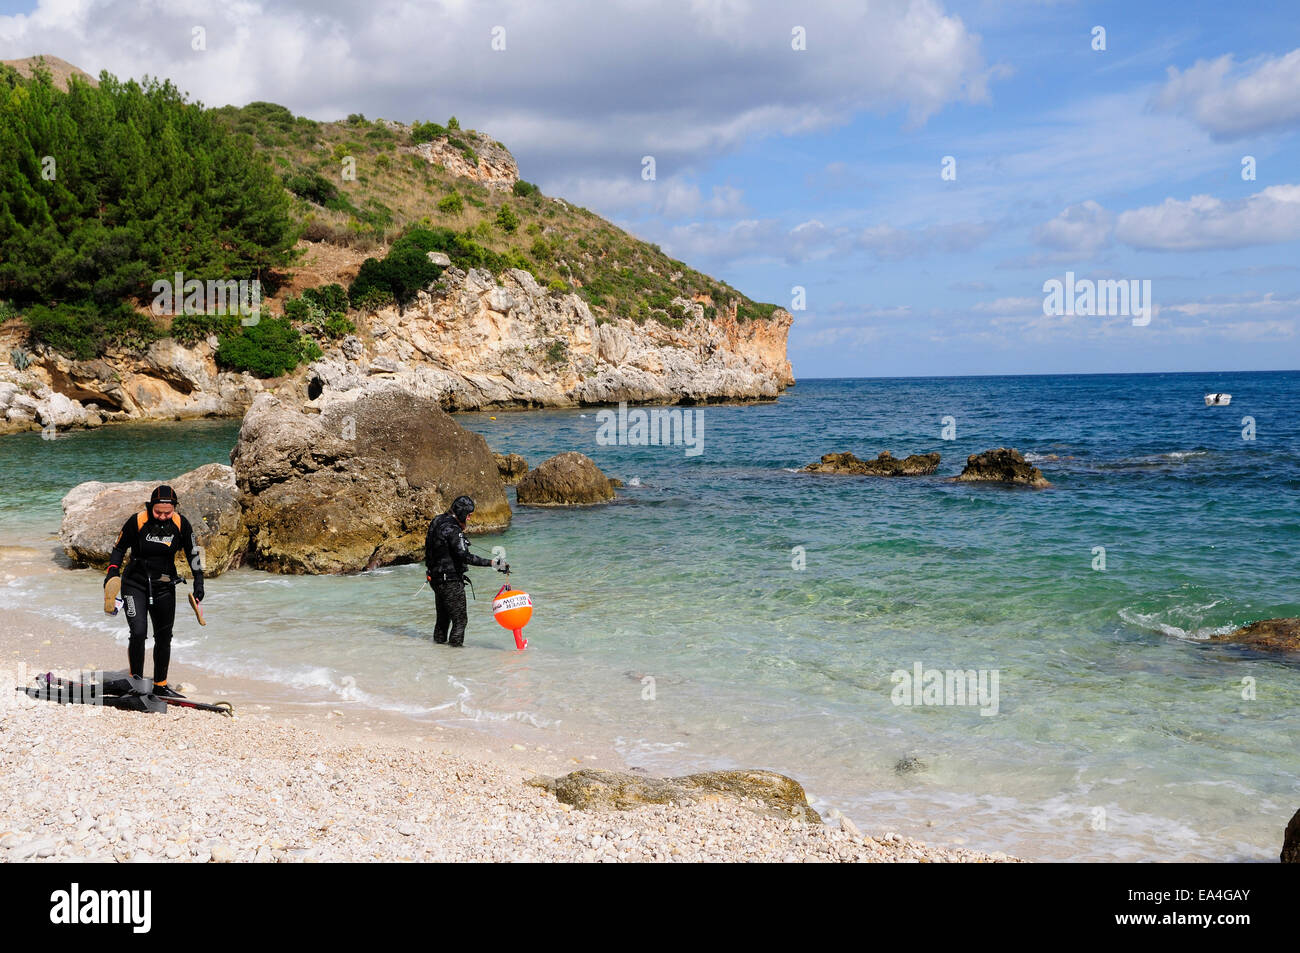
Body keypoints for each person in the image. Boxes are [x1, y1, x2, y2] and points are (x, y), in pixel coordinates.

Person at [102, 485, 204, 697]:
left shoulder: (180, 523)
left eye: (168, 512)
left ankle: (161, 685)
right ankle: (136, 683)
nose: (163, 516)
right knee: (138, 632)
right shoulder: (137, 521)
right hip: (134, 584)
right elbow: (119, 548)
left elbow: (193, 552)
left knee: (164, 636)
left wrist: (199, 583)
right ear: (151, 507)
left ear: (174, 508)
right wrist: (112, 574)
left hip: (165, 585)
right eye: (158, 512)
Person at [424, 495, 508, 647]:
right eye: (468, 515)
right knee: (460, 621)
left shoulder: (437, 520)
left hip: (434, 579)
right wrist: (493, 563)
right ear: (462, 513)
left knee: (442, 620)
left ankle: (437, 654)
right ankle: (456, 660)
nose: (469, 518)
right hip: (450, 582)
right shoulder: (454, 529)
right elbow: (465, 557)